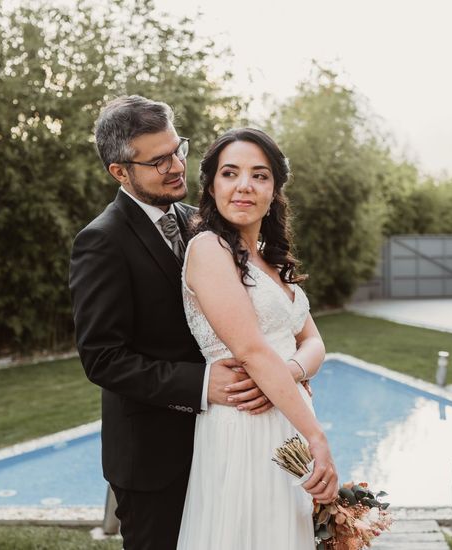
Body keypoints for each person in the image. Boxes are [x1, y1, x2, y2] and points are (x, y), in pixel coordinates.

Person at [69, 96, 276, 550]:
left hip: (221, 442)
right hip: (153, 457)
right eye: (158, 160)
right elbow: (104, 359)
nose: (176, 165)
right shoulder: (101, 242)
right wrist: (203, 384)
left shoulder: (197, 221)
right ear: (120, 171)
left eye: (177, 149)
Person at [176, 128, 338, 550]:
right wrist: (318, 436)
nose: (244, 185)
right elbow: (249, 350)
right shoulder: (209, 249)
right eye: (230, 173)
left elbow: (315, 343)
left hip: (286, 418)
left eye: (259, 175)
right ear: (211, 186)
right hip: (244, 429)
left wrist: (288, 371)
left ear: (274, 191)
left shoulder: (271, 262)